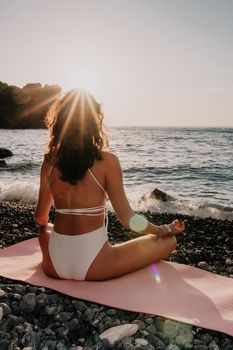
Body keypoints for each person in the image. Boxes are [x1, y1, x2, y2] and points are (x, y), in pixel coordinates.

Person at [34, 89, 185, 281]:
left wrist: (46, 227)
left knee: (44, 229)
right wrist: (164, 229)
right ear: (94, 122)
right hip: (95, 266)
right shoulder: (108, 161)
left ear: (60, 121)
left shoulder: (49, 162)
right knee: (169, 242)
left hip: (53, 265)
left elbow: (40, 217)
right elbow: (128, 219)